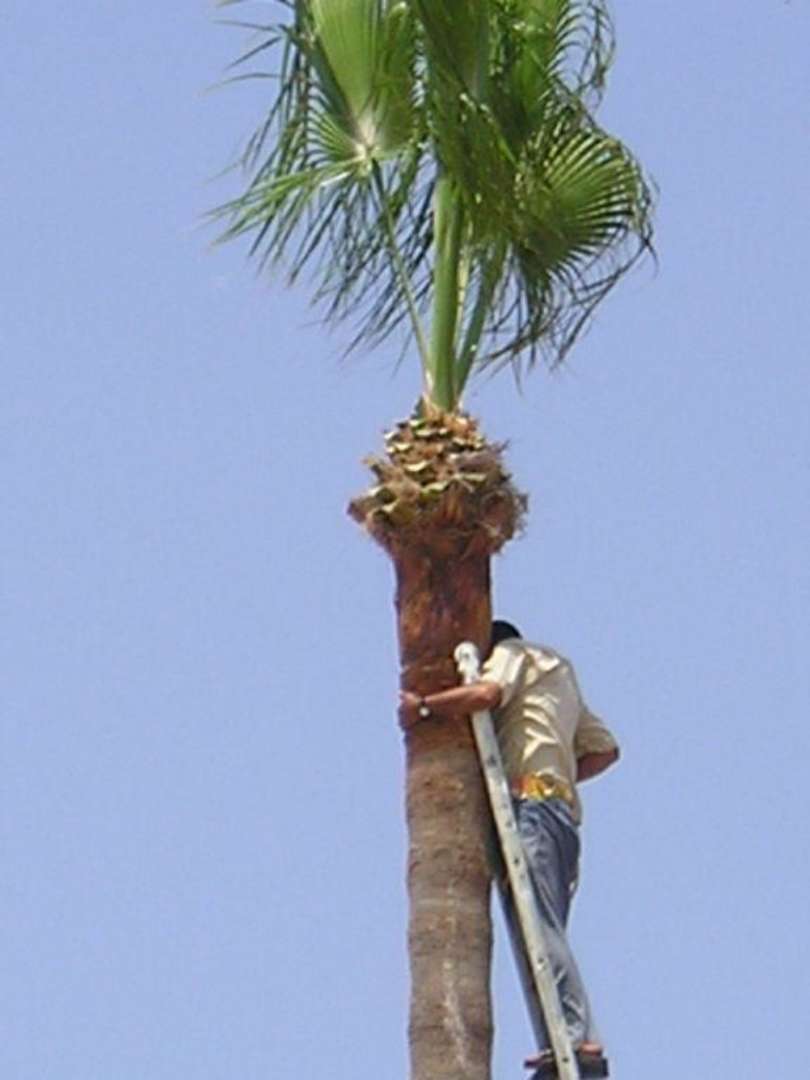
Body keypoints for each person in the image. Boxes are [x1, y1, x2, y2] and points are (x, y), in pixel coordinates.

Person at [399, 619, 619, 1074]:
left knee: (539, 925)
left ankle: (575, 1038)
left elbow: (485, 695)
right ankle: (562, 1042)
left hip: (532, 809)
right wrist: (556, 772)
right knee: (542, 929)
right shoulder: (558, 670)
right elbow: (604, 750)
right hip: (560, 813)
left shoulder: (513, 655)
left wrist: (424, 707)